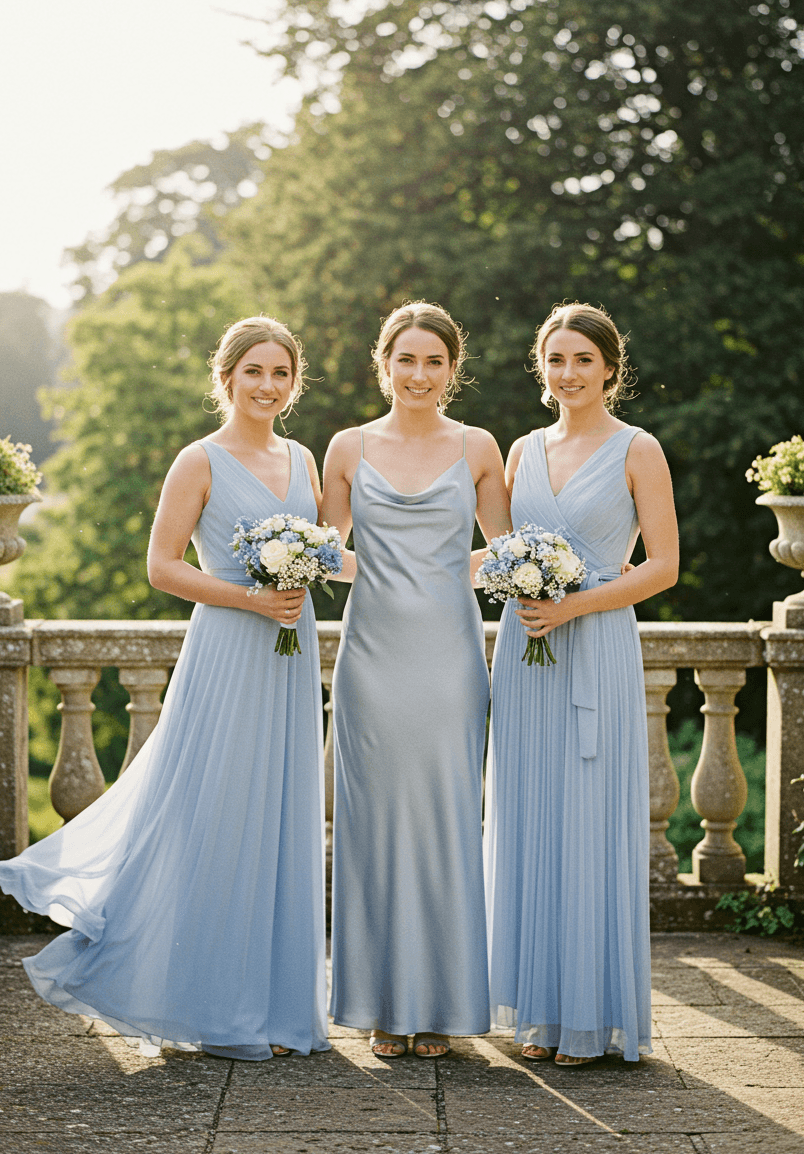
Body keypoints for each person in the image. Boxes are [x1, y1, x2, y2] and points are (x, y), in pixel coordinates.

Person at [0, 316, 330, 1062]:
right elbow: (162, 566)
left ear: (293, 382)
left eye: (280, 374)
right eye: (254, 373)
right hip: (230, 647)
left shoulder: (303, 458)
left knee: (281, 815)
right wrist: (249, 597)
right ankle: (212, 1002)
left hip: (290, 651)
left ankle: (277, 1007)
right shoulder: (198, 460)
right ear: (227, 378)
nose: (267, 387)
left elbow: (333, 551)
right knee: (214, 812)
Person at [484, 302, 678, 1066]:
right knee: (531, 819)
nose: (569, 373)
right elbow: (496, 550)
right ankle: (539, 1012)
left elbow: (662, 566)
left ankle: (593, 1020)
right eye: (556, 360)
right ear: (542, 368)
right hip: (524, 648)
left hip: (594, 643)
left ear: (609, 370)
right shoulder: (521, 450)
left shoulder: (639, 449)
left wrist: (576, 604)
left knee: (589, 821)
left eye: (583, 361)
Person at [321, 301, 511, 1059]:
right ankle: (377, 1002)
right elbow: (324, 551)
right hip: (371, 655)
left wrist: (442, 571)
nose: (419, 374)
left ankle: (441, 1005)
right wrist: (384, 573)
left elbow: (506, 550)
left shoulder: (478, 447)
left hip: (449, 657)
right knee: (370, 827)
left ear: (452, 371)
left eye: (435, 361)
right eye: (407, 360)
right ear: (384, 363)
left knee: (444, 820)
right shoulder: (345, 446)